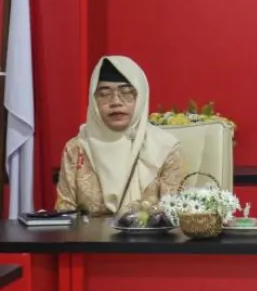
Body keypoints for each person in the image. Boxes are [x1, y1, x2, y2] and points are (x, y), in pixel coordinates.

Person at [55, 56, 184, 217]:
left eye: (127, 92)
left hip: (147, 233)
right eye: (104, 94)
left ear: (141, 97)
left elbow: (173, 213)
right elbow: (64, 212)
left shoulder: (165, 148)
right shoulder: (77, 148)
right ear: (93, 101)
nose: (116, 101)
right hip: (88, 233)